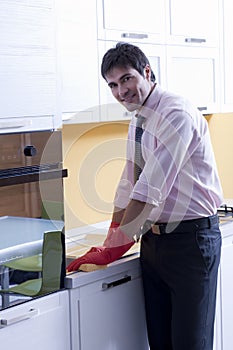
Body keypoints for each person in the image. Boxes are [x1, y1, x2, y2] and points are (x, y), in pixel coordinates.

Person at [67, 42, 223, 350]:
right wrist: (111, 238)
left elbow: (150, 189)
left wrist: (115, 248)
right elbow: (128, 184)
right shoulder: (139, 118)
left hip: (190, 243)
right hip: (153, 243)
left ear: (146, 73)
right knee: (160, 344)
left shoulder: (175, 113)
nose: (120, 91)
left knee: (191, 344)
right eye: (112, 85)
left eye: (126, 79)